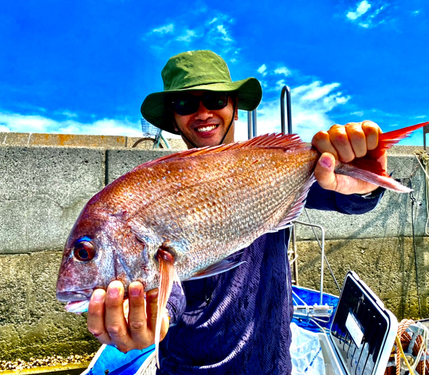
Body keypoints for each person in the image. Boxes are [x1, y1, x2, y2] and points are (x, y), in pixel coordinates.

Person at [86, 50, 386, 374]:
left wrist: (363, 183)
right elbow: (169, 286)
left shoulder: (270, 168)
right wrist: (153, 315)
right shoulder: (156, 190)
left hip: (270, 364)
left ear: (234, 107)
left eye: (215, 99)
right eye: (185, 104)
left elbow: (346, 199)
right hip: (186, 368)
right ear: (173, 118)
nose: (202, 113)